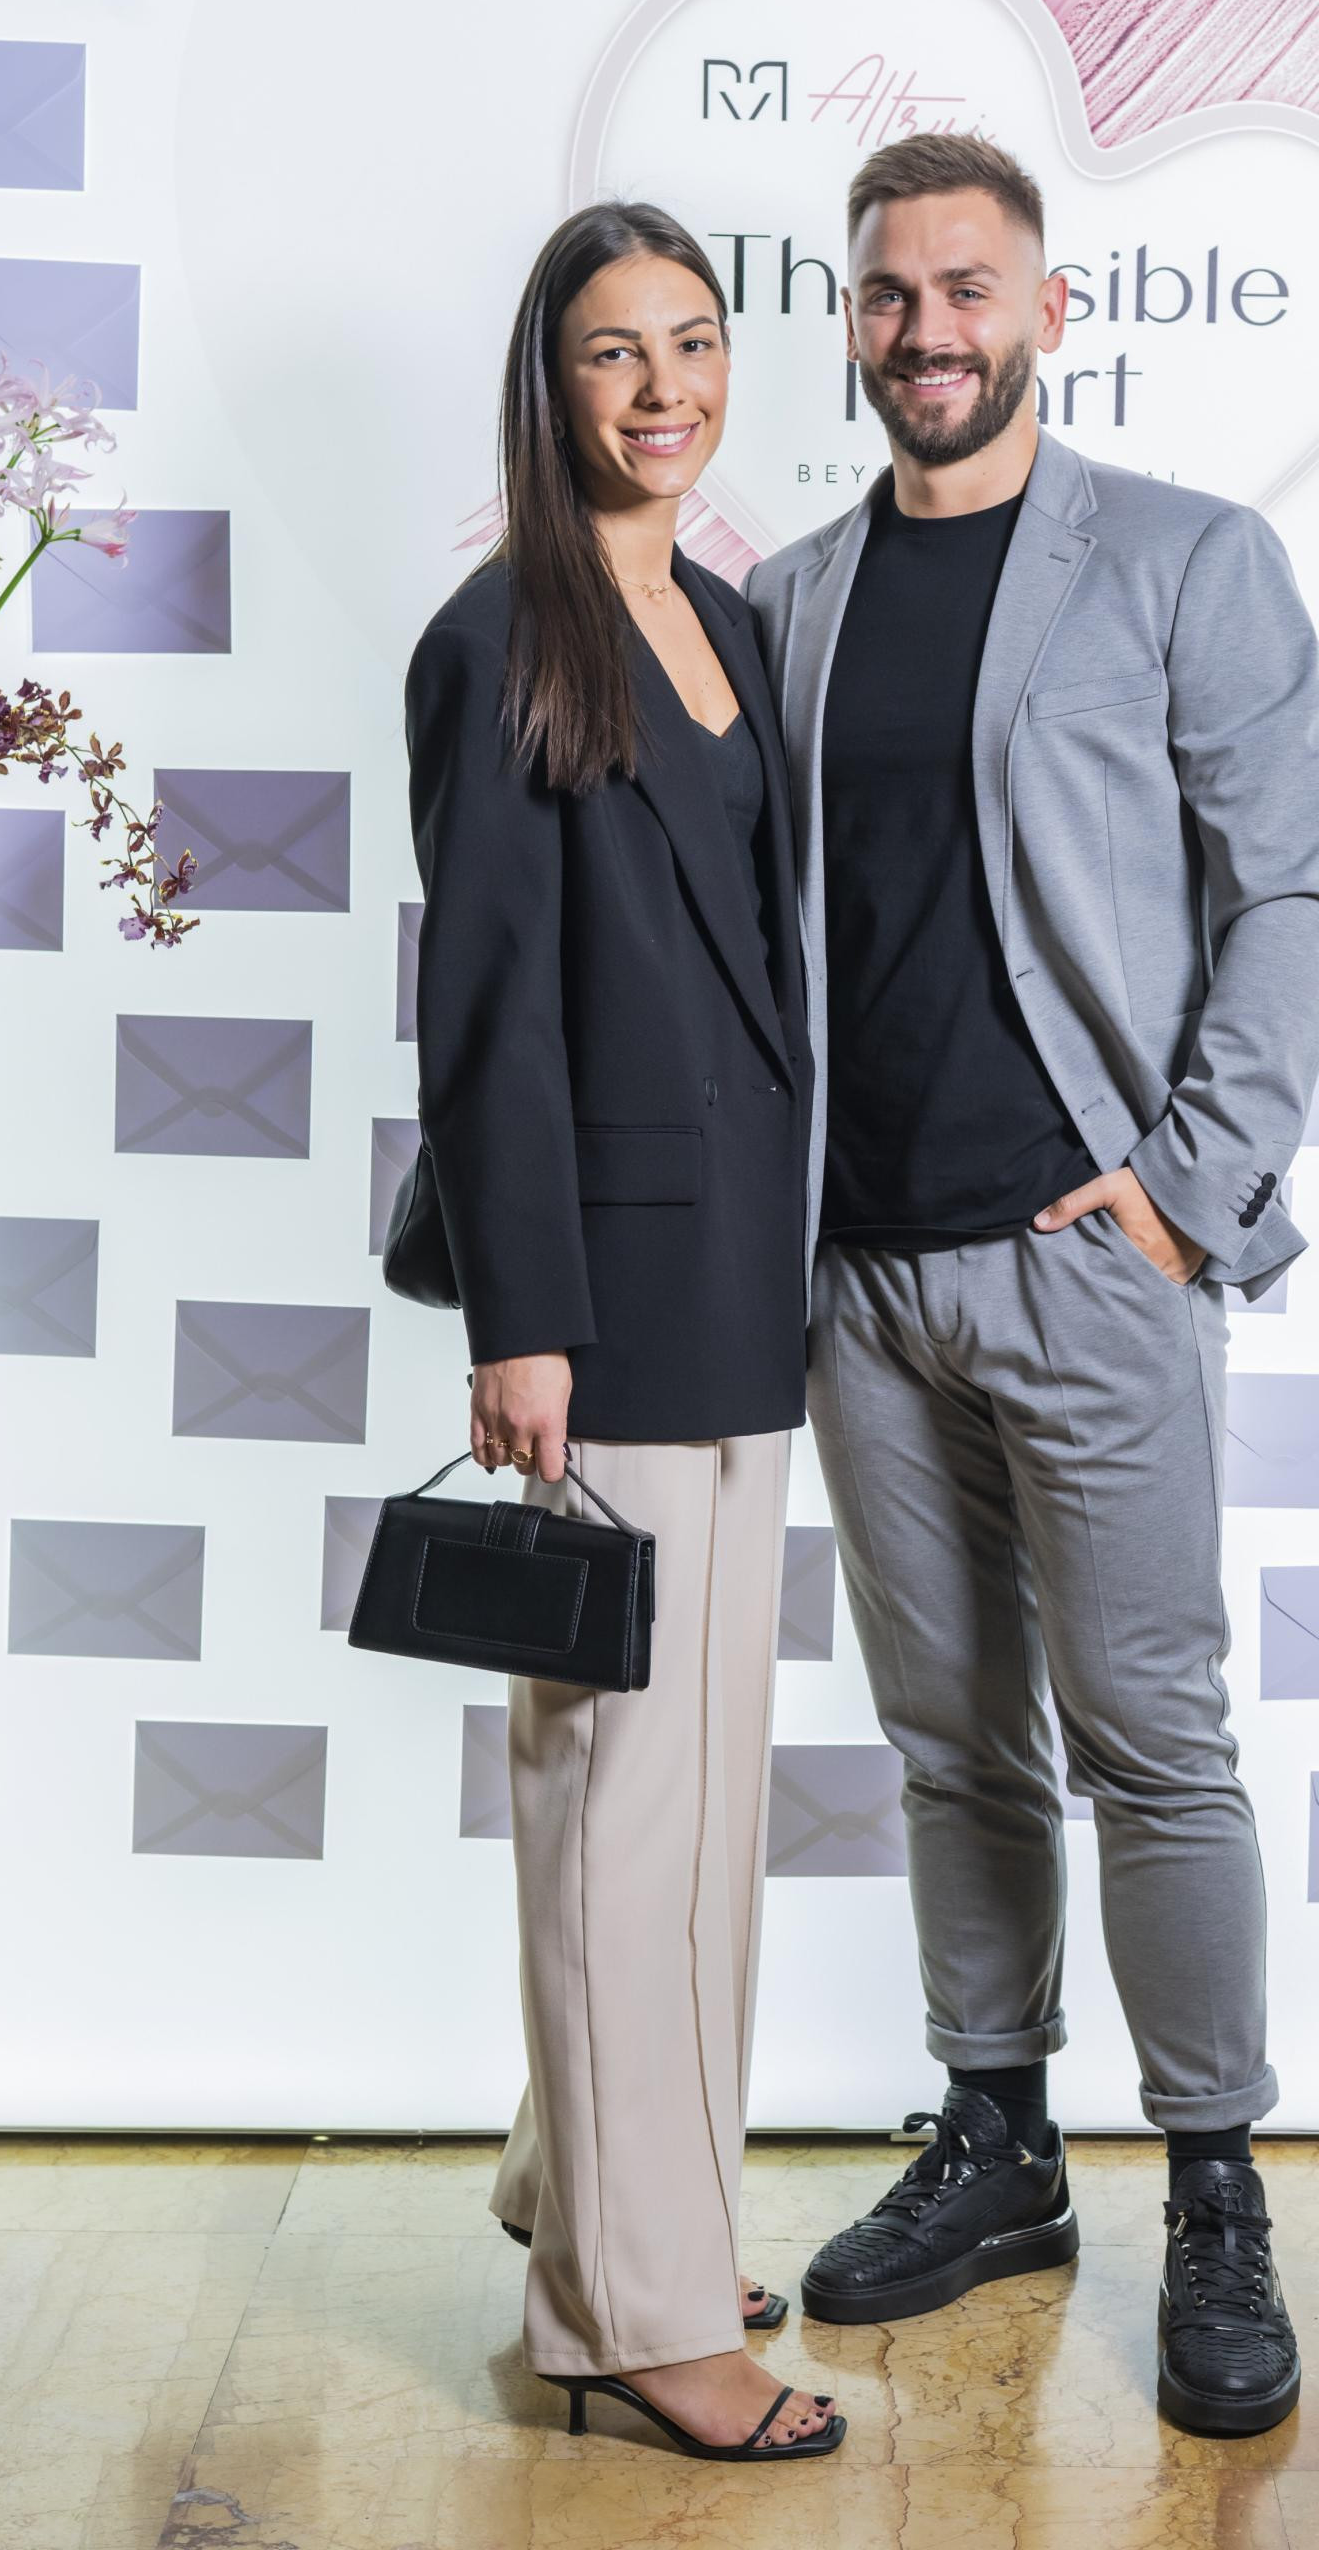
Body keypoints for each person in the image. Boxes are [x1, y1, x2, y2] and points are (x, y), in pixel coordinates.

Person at [745, 133, 1319, 2441]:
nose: (929, 331)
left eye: (968, 289)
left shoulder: (1186, 562)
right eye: (891, 295)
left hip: (1091, 1266)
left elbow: (1292, 893)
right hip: (863, 1281)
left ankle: (1216, 2190)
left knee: (1153, 1745)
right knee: (950, 1746)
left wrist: (1188, 1196)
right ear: (854, 320)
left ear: (1047, 311)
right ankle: (997, 2139)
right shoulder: (787, 598)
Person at [404, 201, 843, 2463]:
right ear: (549, 380)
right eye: (612, 351)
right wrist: (525, 1322)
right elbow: (484, 1011)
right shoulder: (496, 639)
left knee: (701, 1807)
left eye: (692, 342)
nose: (663, 389)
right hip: (604, 1297)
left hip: (746, 1276)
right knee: (615, 1803)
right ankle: (630, 2312)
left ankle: (609, 2192)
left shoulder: (733, 622)